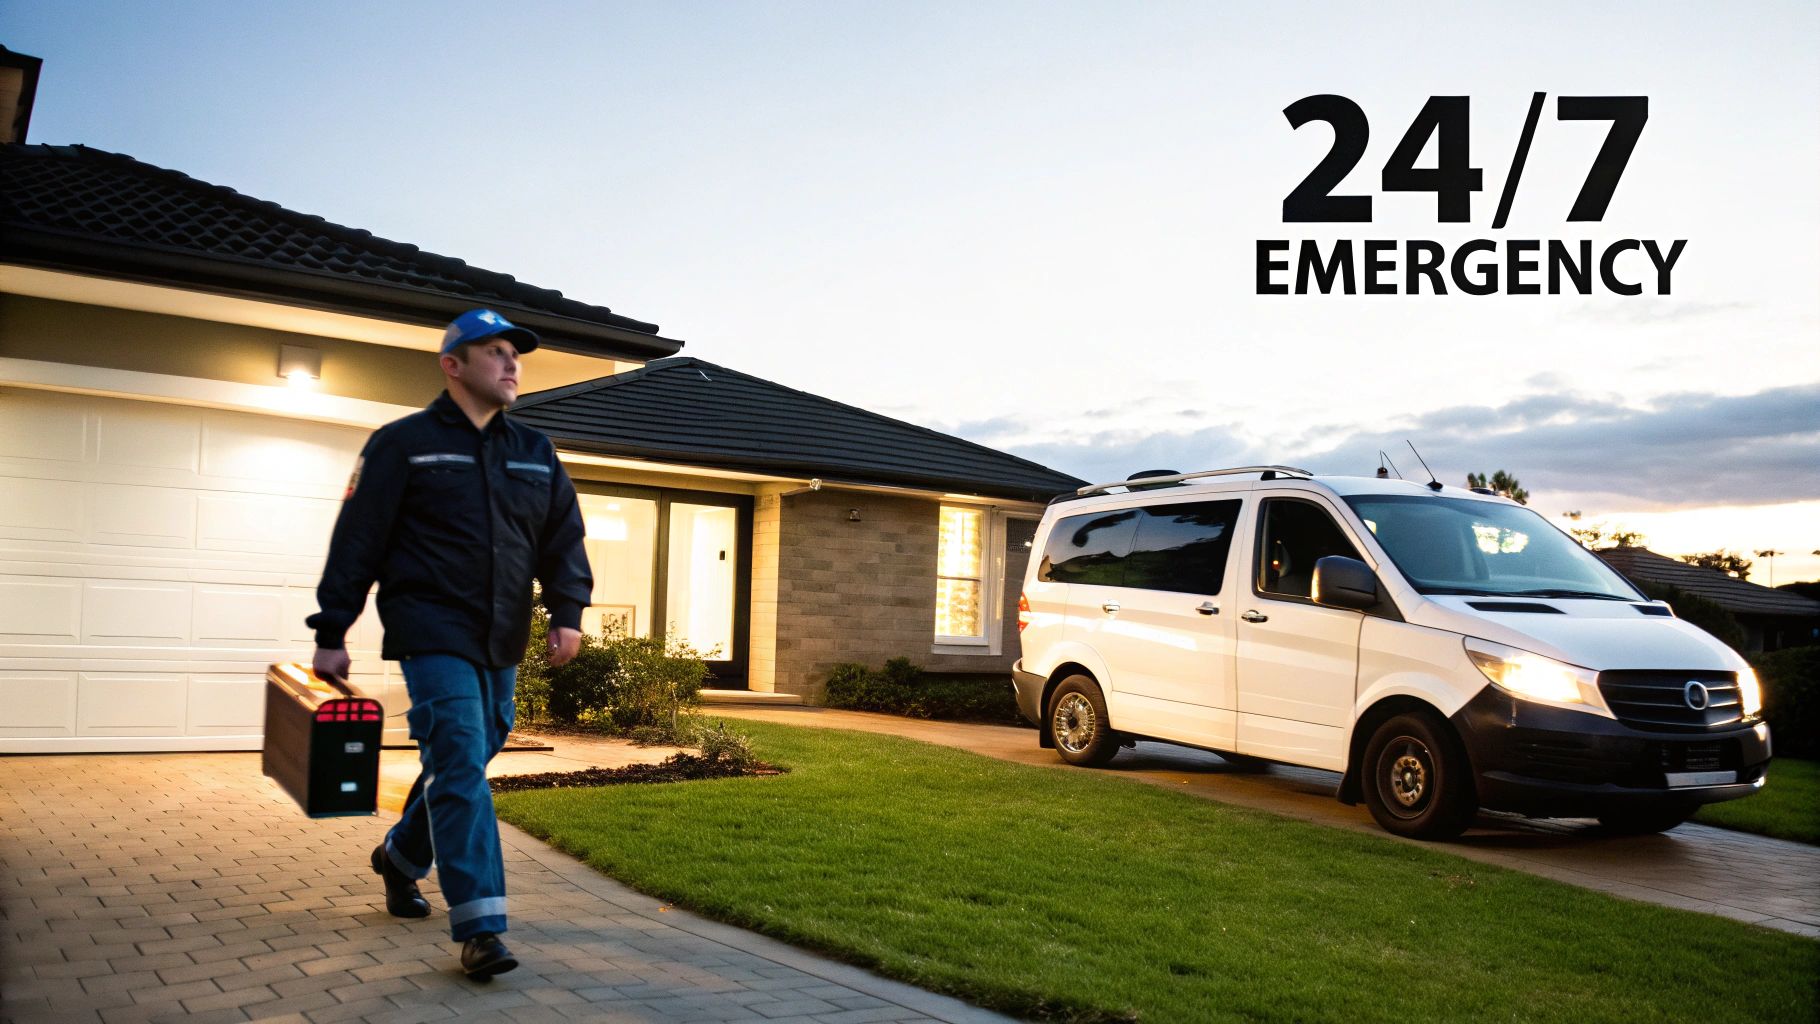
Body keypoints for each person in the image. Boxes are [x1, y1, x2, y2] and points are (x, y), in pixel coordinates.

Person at [306, 308, 591, 979]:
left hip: (500, 635)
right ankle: (482, 928)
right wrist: (332, 629)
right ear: (453, 364)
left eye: (515, 354)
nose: (512, 364)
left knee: (475, 750)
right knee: (460, 759)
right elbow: (358, 540)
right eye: (494, 352)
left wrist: (568, 610)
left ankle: (400, 857)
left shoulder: (533, 452)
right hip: (430, 629)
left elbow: (562, 537)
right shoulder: (401, 444)